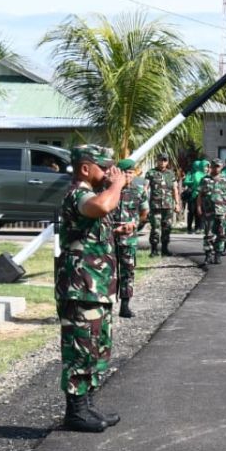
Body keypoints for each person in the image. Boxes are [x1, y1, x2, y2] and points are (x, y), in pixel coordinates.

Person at [54, 144, 124, 432]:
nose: (109, 172)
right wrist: (118, 184)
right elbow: (102, 206)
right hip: (81, 288)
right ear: (85, 168)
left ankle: (88, 405)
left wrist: (118, 230)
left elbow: (93, 225)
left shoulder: (91, 194)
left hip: (96, 288)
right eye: (103, 167)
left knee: (96, 347)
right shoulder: (78, 194)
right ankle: (76, 411)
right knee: (80, 348)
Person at [111, 159, 148, 318]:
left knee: (127, 271)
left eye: (131, 172)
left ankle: (125, 306)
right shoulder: (109, 190)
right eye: (126, 172)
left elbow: (144, 213)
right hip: (110, 238)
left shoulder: (139, 191)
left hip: (128, 238)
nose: (128, 175)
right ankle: (107, 306)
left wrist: (135, 225)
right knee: (108, 272)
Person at [196, 158, 226, 265]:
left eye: (218, 166)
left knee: (221, 235)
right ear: (211, 167)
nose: (216, 168)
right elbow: (199, 195)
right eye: (214, 166)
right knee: (208, 235)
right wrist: (198, 208)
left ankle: (218, 254)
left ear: (221, 167)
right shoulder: (205, 180)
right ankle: (208, 255)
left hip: (222, 212)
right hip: (208, 212)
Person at [143, 154, 180, 257]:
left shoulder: (171, 174)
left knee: (167, 228)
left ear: (167, 162)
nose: (162, 162)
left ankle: (165, 249)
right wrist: (144, 203)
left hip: (168, 206)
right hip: (155, 206)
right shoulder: (151, 173)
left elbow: (175, 189)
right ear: (157, 161)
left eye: (165, 160)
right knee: (155, 227)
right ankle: (154, 250)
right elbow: (145, 188)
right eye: (161, 160)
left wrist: (177, 203)